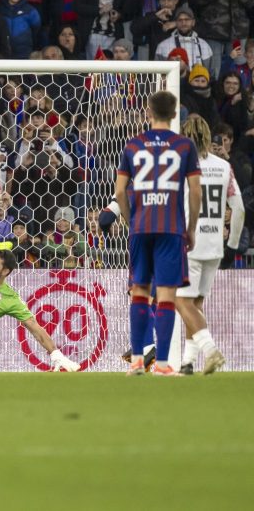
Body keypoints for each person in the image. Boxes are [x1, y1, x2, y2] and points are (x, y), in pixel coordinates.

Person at [114, 91, 202, 377]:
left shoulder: (133, 144)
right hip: (170, 228)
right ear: (175, 113)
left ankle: (138, 360)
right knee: (165, 296)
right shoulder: (184, 145)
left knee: (138, 293)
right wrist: (190, 229)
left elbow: (119, 191)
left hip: (141, 226)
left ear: (148, 112)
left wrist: (131, 220)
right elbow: (195, 192)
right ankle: (162, 365)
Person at [176, 114, 242, 374]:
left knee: (181, 302)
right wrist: (233, 246)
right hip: (215, 243)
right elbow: (238, 208)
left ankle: (211, 350)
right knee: (196, 305)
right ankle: (187, 363)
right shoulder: (224, 166)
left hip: (188, 242)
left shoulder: (180, 166)